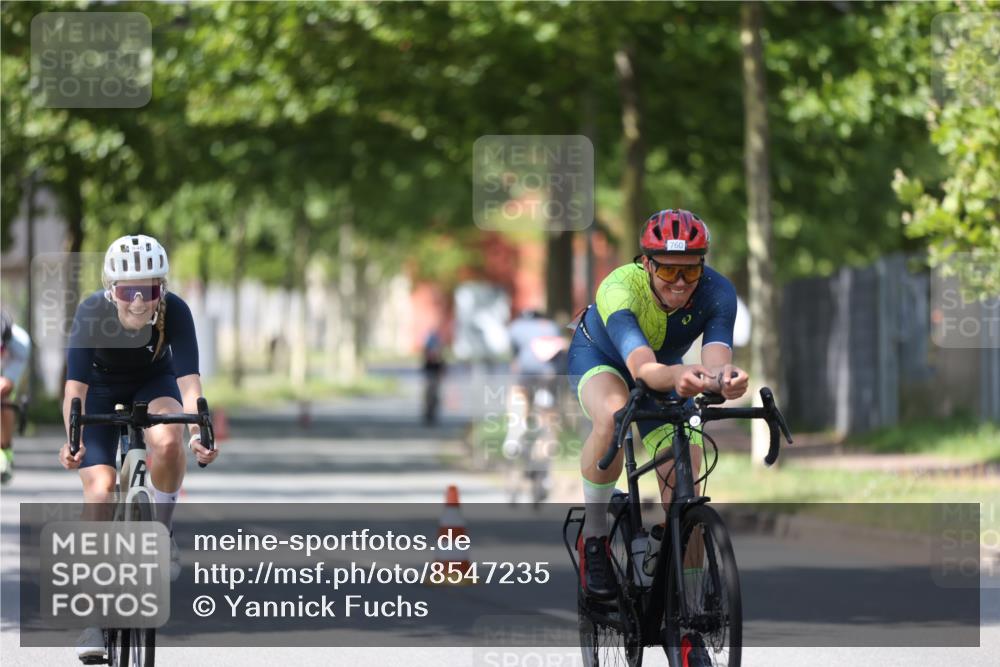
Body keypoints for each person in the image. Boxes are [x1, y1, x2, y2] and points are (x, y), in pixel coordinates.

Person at [568, 209, 749, 607]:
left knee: (687, 477)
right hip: (604, 360)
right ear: (647, 264)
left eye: (691, 270)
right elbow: (643, 370)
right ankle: (594, 537)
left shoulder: (718, 291)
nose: (680, 283)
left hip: (665, 369)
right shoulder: (619, 288)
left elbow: (716, 361)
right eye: (668, 270)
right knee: (613, 413)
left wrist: (726, 380)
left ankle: (687, 607)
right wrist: (682, 374)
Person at [58, 234, 218, 661]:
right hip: (98, 389)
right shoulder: (91, 311)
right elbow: (74, 389)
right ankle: (93, 618)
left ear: (161, 289)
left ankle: (161, 535)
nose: (139, 301)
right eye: (129, 291)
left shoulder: (175, 311)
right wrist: (73, 440)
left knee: (167, 440)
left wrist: (198, 433)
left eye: (149, 290)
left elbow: (189, 383)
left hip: (154, 383)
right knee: (100, 489)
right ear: (111, 289)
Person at [503, 308, 566, 504]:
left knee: (517, 393)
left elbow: (513, 357)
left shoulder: (515, 327)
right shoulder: (551, 326)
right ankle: (545, 473)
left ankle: (515, 431)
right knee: (549, 423)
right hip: (549, 375)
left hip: (526, 372)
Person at [1, 311, 32, 484]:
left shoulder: (20, 343)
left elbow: (6, 384)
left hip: (8, 365)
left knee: (4, 397)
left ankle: (5, 451)